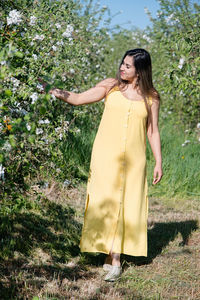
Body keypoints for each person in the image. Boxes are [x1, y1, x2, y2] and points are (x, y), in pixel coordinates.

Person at [39, 48, 163, 282]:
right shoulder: (110, 86)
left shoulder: (151, 97)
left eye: (128, 66)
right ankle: (109, 252)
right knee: (106, 199)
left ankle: (114, 259)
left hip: (134, 160)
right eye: (122, 64)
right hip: (105, 156)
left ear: (141, 70)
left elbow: (153, 131)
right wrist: (49, 88)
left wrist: (159, 161)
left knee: (126, 203)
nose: (122, 68)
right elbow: (76, 99)